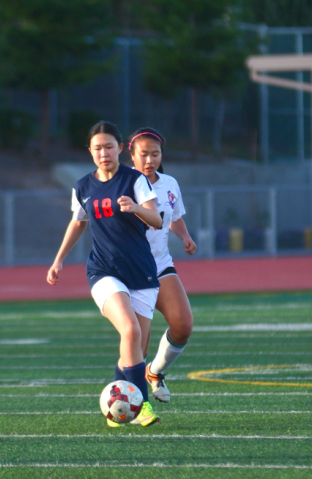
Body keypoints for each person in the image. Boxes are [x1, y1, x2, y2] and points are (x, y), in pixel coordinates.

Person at [47, 121, 163, 427]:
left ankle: (116, 406)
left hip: (142, 272)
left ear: (120, 148)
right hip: (104, 271)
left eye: (109, 146)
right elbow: (78, 222)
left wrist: (135, 207)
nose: (103, 153)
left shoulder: (135, 179)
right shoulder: (83, 186)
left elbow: (157, 220)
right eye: (97, 148)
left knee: (137, 347)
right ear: (90, 151)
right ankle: (143, 406)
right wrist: (58, 260)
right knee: (130, 330)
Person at [127, 128, 196, 403]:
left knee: (183, 325)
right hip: (130, 270)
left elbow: (173, 217)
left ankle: (155, 373)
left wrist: (185, 236)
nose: (149, 159)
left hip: (160, 264)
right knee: (137, 343)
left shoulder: (169, 183)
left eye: (155, 154)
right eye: (143, 154)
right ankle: (132, 400)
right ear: (131, 155)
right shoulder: (123, 183)